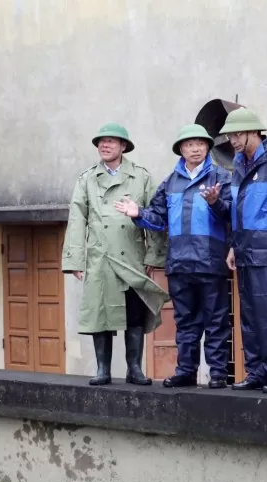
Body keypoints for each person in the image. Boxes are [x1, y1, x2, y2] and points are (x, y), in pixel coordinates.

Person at [115, 124, 232, 389]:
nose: (195, 149)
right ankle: (186, 371)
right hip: (179, 263)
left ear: (207, 148)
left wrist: (216, 202)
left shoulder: (221, 177)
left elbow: (232, 216)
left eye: (200, 144)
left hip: (211, 262)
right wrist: (139, 214)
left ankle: (218, 373)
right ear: (181, 149)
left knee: (216, 320)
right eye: (189, 144)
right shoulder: (170, 182)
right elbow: (158, 218)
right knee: (185, 322)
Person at [205, 107, 267, 394]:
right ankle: (257, 372)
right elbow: (234, 212)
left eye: (238, 134)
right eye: (229, 135)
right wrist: (215, 204)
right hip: (244, 250)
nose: (233, 140)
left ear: (254, 132)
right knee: (249, 317)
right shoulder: (238, 165)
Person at [62, 123, 168, 386]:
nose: (105, 145)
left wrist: (153, 258)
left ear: (123, 146)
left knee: (135, 313)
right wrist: (75, 260)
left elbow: (155, 216)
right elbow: (77, 220)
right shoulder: (86, 179)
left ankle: (134, 368)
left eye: (111, 141)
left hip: (131, 257)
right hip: (100, 258)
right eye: (101, 142)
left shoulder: (141, 177)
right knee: (101, 314)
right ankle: (102, 369)